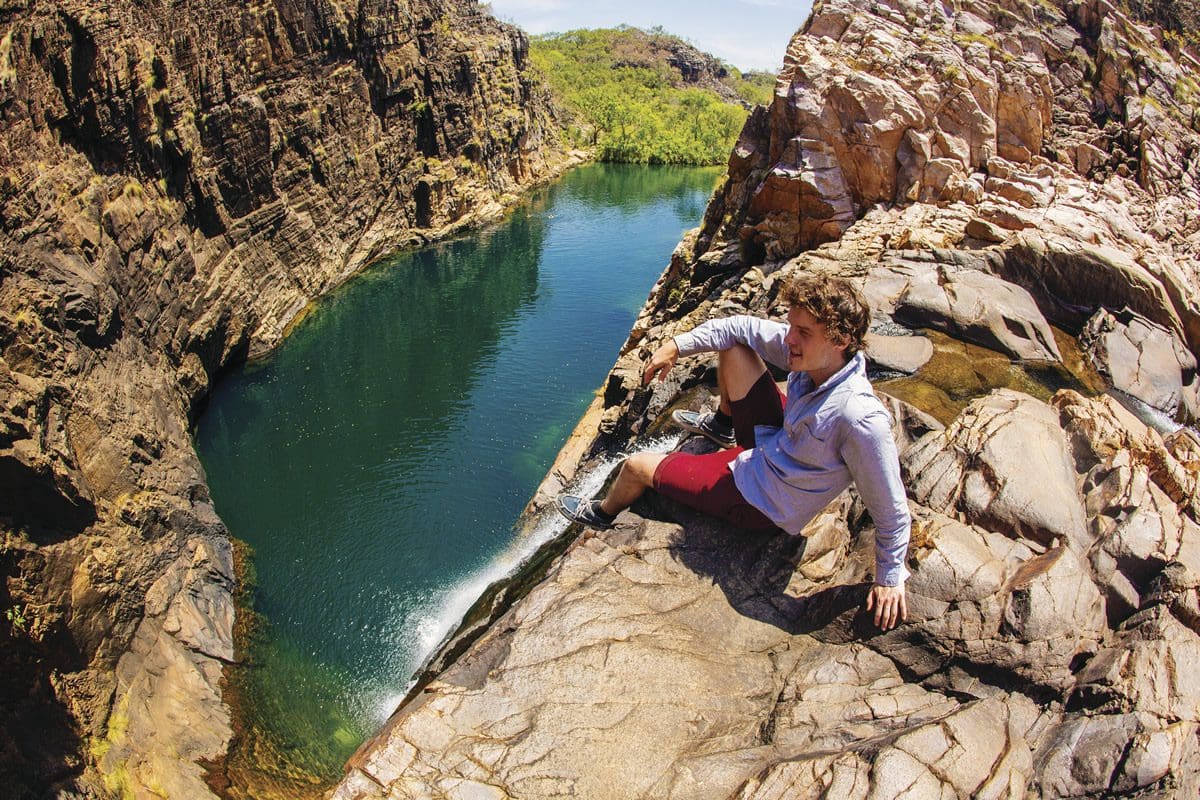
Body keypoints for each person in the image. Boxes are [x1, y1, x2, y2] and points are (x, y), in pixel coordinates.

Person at [556, 274, 910, 630]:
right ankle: (722, 426)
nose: (790, 340)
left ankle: (601, 513)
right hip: (776, 447)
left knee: (635, 467)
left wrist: (890, 577)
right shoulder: (816, 363)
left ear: (842, 339)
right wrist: (676, 346)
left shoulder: (858, 418)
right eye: (791, 327)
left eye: (804, 332)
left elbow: (890, 507)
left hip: (761, 501)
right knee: (735, 347)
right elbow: (737, 327)